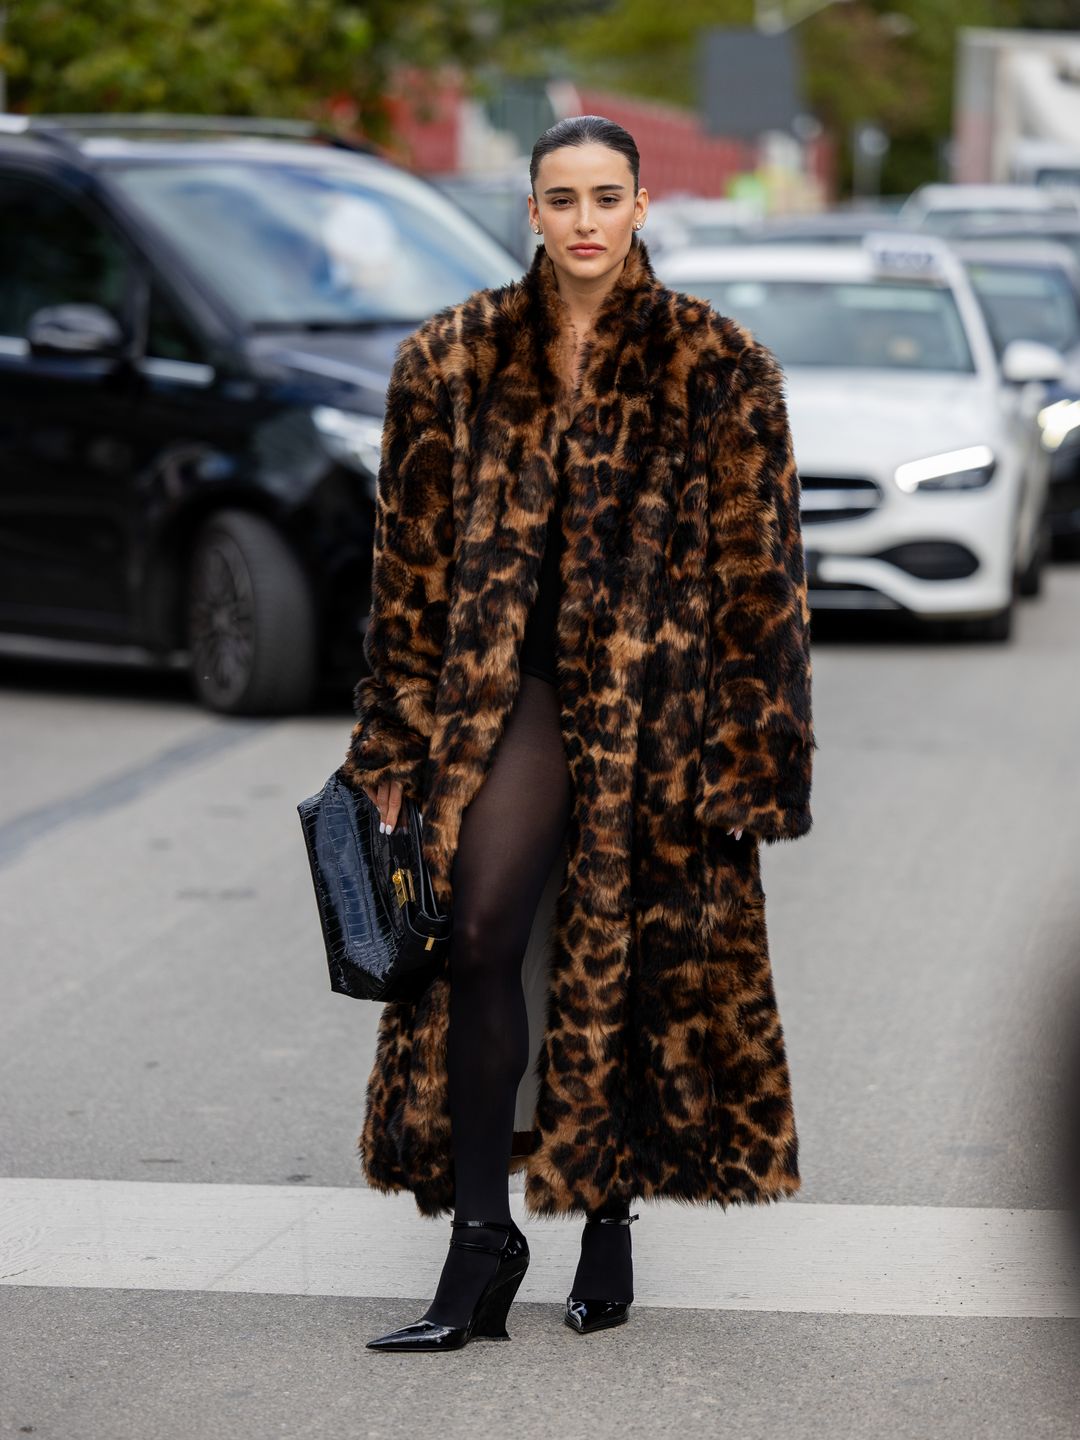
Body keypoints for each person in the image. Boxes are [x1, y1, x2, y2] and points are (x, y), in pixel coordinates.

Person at [342, 115, 816, 1352]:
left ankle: (606, 1217)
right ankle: (483, 1238)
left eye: (609, 195)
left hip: (662, 715)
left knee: (626, 951)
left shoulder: (719, 364)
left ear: (645, 205)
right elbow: (407, 578)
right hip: (511, 698)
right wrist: (389, 749)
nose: (587, 220)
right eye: (563, 198)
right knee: (484, 926)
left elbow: (764, 580)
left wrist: (753, 752)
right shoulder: (449, 359)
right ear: (533, 213)